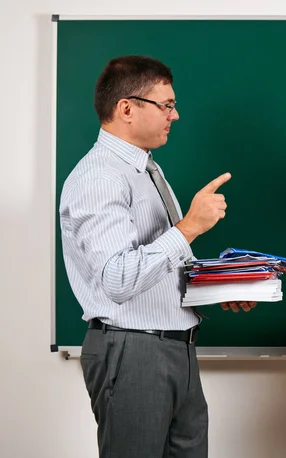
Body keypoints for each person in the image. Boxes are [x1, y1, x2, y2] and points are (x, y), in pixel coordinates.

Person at [59, 55, 254, 458]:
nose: (175, 115)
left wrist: (215, 287)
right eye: (166, 105)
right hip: (133, 353)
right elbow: (117, 279)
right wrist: (189, 227)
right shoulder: (101, 177)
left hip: (176, 348)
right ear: (126, 108)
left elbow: (158, 267)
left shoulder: (147, 169)